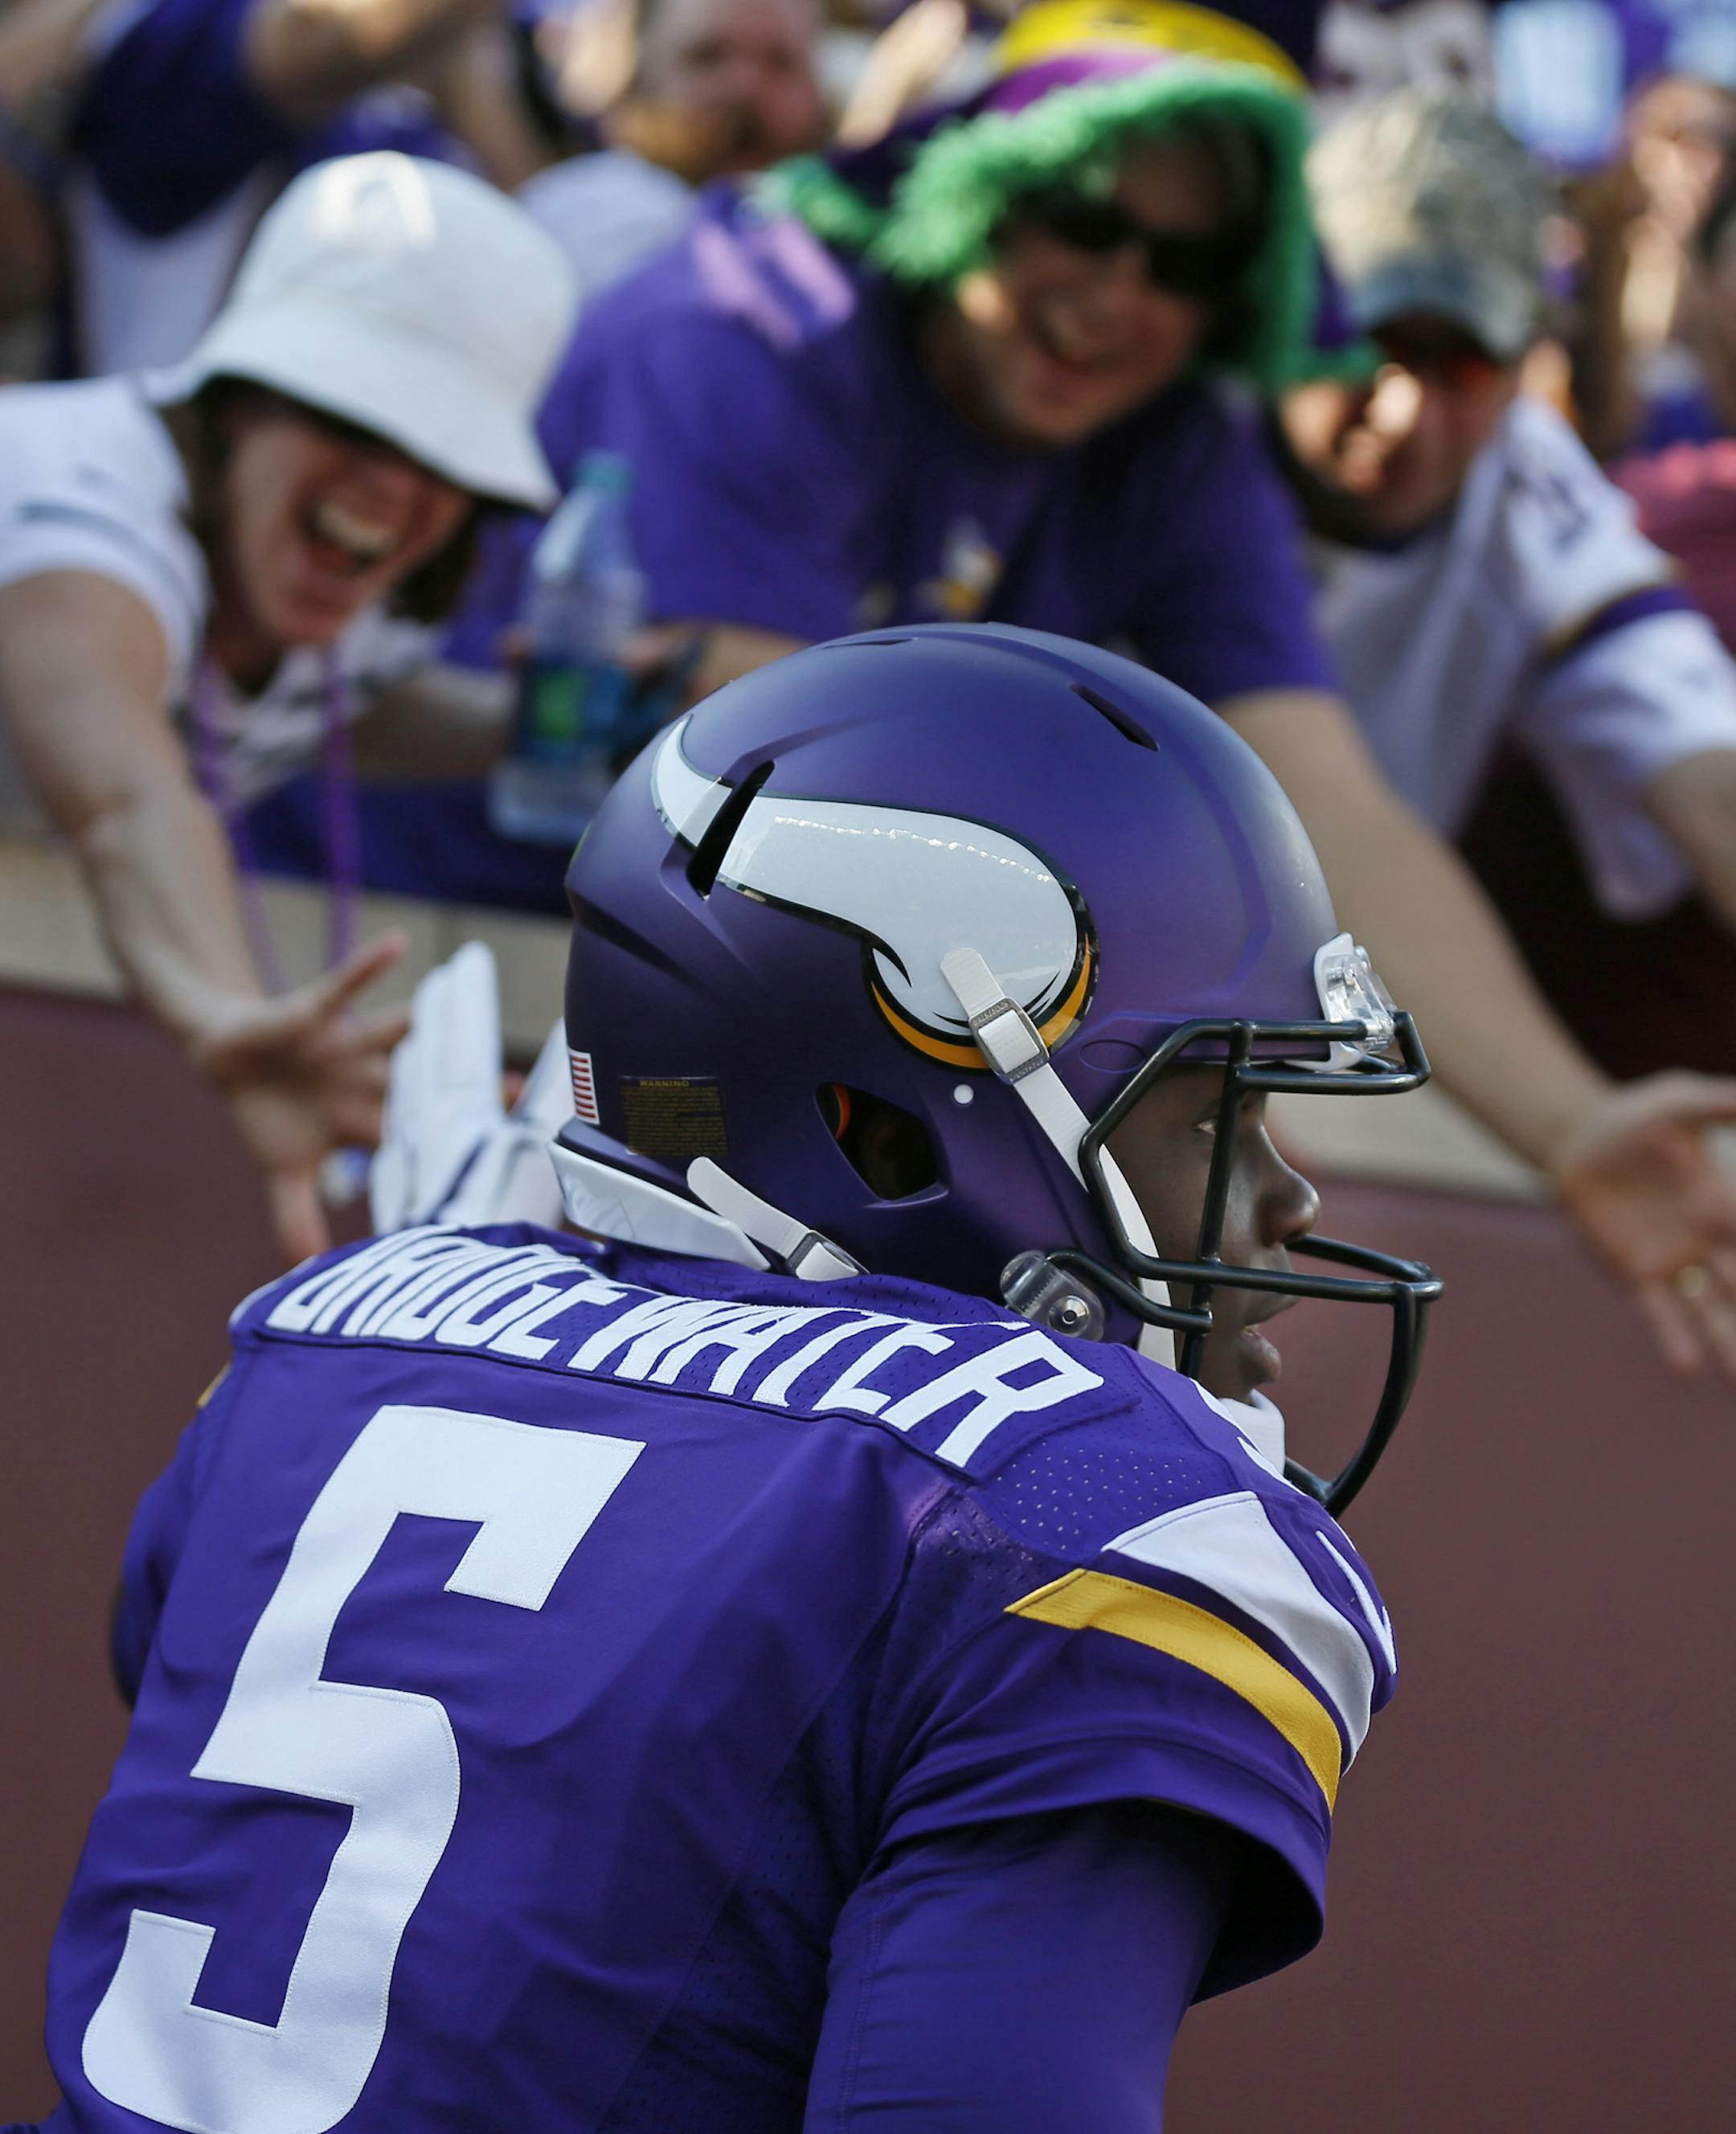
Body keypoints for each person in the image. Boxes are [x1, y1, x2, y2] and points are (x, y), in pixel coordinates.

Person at [20, 625, 1436, 2131]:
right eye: (1214, 1115)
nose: (1288, 1199)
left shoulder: (323, 1339)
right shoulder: (1081, 1506)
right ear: (885, 1125)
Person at [458, 0, 1736, 1377]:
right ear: (975, 185)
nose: (1118, 292)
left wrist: (1568, 1124)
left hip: (761, 1059)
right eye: (1080, 217)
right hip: (471, 1001)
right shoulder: (753, 319)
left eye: (1184, 260)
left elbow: (1329, 803)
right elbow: (784, 791)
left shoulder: (1174, 432)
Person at [0, 151, 578, 1263]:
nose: (390, 483)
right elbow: (127, 797)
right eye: (352, 420)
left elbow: (321, 709)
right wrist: (221, 1012)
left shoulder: (340, 606)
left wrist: (546, 730)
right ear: (236, 407)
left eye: (442, 455)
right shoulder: (77, 497)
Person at [1279, 90, 1736, 980]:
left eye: (1463, 362)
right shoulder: (1187, 441)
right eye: (1369, 342)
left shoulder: (1525, 476)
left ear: (1526, 357)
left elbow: (1708, 777)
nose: (1404, 410)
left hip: (1352, 982)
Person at [58, 0, 549, 375]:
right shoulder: (183, 36)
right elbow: (333, 42)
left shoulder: (461, 80)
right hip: (178, 455)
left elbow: (544, 243)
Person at [518, 0, 829, 302]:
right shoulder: (595, 207)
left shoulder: (832, 242)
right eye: (707, 57)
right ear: (640, 77)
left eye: (780, 62)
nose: (744, 87)